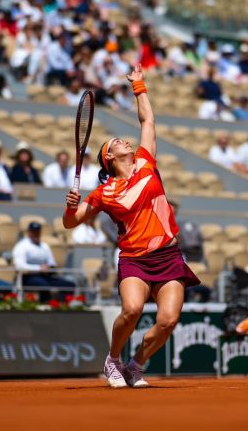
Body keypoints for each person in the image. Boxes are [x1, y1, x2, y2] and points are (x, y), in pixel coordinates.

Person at [63, 64, 200, 388]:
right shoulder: (104, 192)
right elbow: (72, 223)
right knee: (132, 309)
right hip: (135, 259)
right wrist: (69, 207)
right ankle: (113, 360)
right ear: (108, 158)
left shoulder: (145, 162)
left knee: (168, 321)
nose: (123, 141)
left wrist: (139, 85)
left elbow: (147, 121)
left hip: (168, 256)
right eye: (116, 143)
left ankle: (136, 365)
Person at [12, 221, 76, 300]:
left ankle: (62, 306)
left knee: (69, 285)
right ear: (29, 232)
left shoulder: (44, 246)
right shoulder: (21, 246)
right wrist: (39, 268)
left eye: (37, 231)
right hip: (28, 277)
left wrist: (50, 267)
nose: (36, 234)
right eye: (33, 231)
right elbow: (20, 266)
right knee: (44, 286)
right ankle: (44, 308)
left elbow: (51, 262)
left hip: (45, 276)